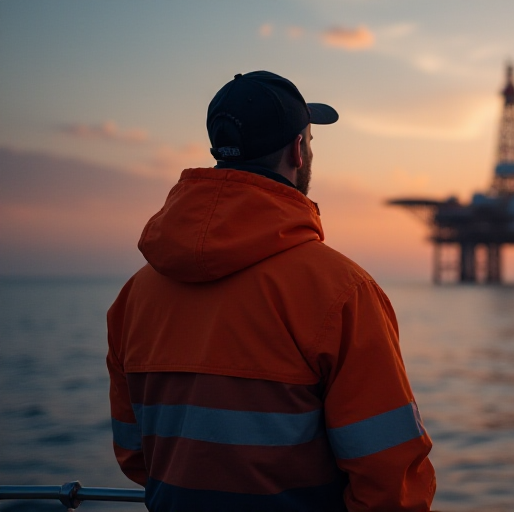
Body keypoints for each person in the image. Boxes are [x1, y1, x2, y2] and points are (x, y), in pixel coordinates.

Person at [106, 71, 436, 512]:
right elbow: (390, 484)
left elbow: (134, 455)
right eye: (311, 141)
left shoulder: (134, 297)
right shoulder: (342, 293)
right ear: (298, 151)